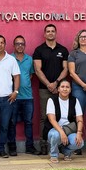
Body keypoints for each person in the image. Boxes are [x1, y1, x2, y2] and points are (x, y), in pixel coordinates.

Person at [33, 24, 69, 155]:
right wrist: (49, 84)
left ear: (56, 33)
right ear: (44, 34)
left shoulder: (63, 50)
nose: (50, 33)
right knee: (44, 117)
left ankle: (60, 143)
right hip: (44, 89)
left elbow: (66, 69)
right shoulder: (39, 50)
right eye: (48, 31)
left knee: (60, 116)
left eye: (52, 31)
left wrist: (57, 83)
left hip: (61, 90)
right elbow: (37, 69)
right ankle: (44, 145)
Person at [45, 80, 85, 163]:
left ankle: (66, 152)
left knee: (79, 143)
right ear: (58, 89)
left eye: (67, 87)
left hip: (69, 130)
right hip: (55, 130)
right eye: (62, 87)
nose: (65, 89)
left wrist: (79, 132)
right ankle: (54, 154)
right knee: (56, 135)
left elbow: (79, 119)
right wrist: (61, 133)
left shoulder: (74, 101)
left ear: (70, 90)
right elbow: (51, 119)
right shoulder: (51, 100)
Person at [9, 35, 36, 155]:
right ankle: (12, 148)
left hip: (28, 96)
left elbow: (30, 75)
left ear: (25, 45)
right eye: (17, 44)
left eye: (22, 44)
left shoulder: (29, 59)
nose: (20, 46)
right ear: (14, 45)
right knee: (12, 122)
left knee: (28, 122)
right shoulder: (8, 58)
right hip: (13, 96)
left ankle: (30, 147)